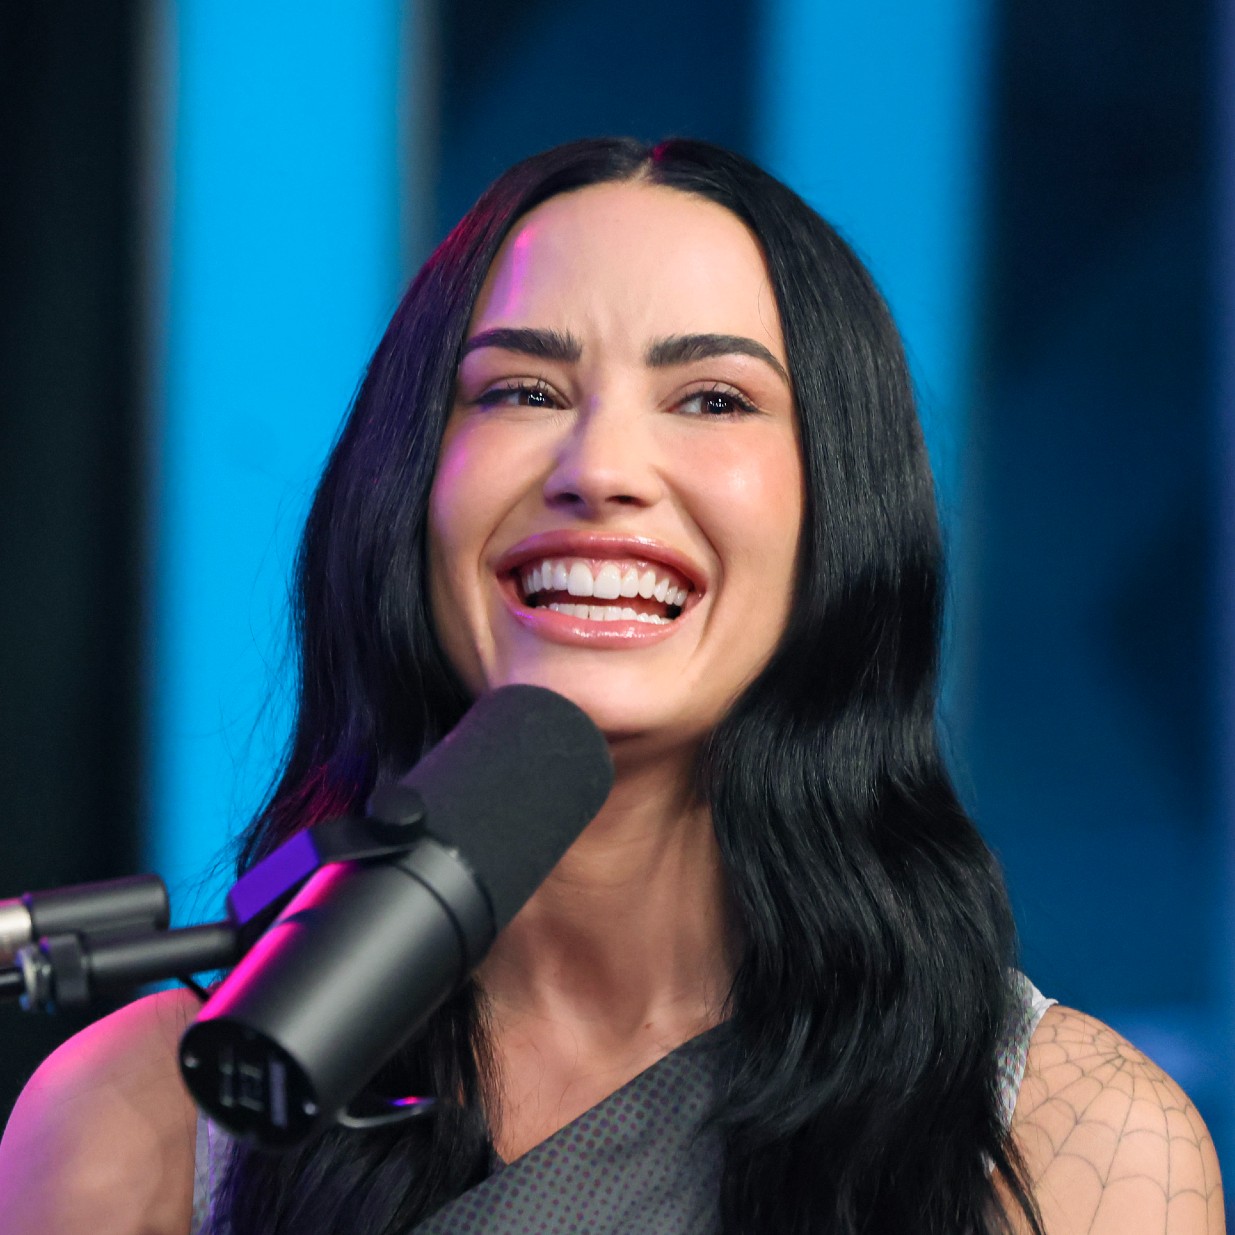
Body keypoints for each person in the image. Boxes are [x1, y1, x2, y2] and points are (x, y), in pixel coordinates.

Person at [0, 138, 1224, 1235]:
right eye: (521, 391)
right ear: (407, 487)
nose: (601, 468)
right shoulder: (145, 1122)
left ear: (838, 519)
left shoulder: (1066, 1140)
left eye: (711, 399)